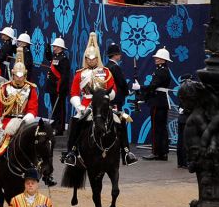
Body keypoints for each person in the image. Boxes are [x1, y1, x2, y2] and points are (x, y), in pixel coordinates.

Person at [63, 32, 137, 167]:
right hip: (86, 103)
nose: (91, 61)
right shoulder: (80, 74)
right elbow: (74, 93)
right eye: (89, 59)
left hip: (103, 104)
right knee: (75, 122)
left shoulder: (106, 72)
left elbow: (113, 89)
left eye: (94, 59)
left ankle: (126, 152)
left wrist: (107, 97)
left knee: (120, 120)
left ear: (97, 58)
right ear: (86, 58)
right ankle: (71, 152)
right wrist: (78, 106)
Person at [0, 49, 39, 142]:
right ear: (13, 75)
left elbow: (33, 109)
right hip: (5, 122)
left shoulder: (31, 88)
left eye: (21, 76)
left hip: (24, 122)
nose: (19, 79)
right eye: (17, 76)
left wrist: (26, 119)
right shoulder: (4, 88)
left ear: (25, 75)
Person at [140, 47, 174, 161]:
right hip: (162, 101)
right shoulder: (164, 70)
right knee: (161, 128)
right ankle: (163, 152)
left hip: (158, 101)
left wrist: (140, 87)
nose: (156, 59)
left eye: (158, 58)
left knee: (156, 128)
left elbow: (153, 86)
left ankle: (156, 152)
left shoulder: (160, 71)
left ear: (163, 60)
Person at [48, 36, 71, 136]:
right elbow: (49, 59)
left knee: (60, 108)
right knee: (55, 106)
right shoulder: (55, 57)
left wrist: (61, 88)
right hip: (53, 87)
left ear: (60, 47)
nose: (54, 48)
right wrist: (47, 50)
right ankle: (56, 122)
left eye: (55, 46)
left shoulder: (64, 59)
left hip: (59, 87)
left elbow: (65, 75)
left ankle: (60, 127)